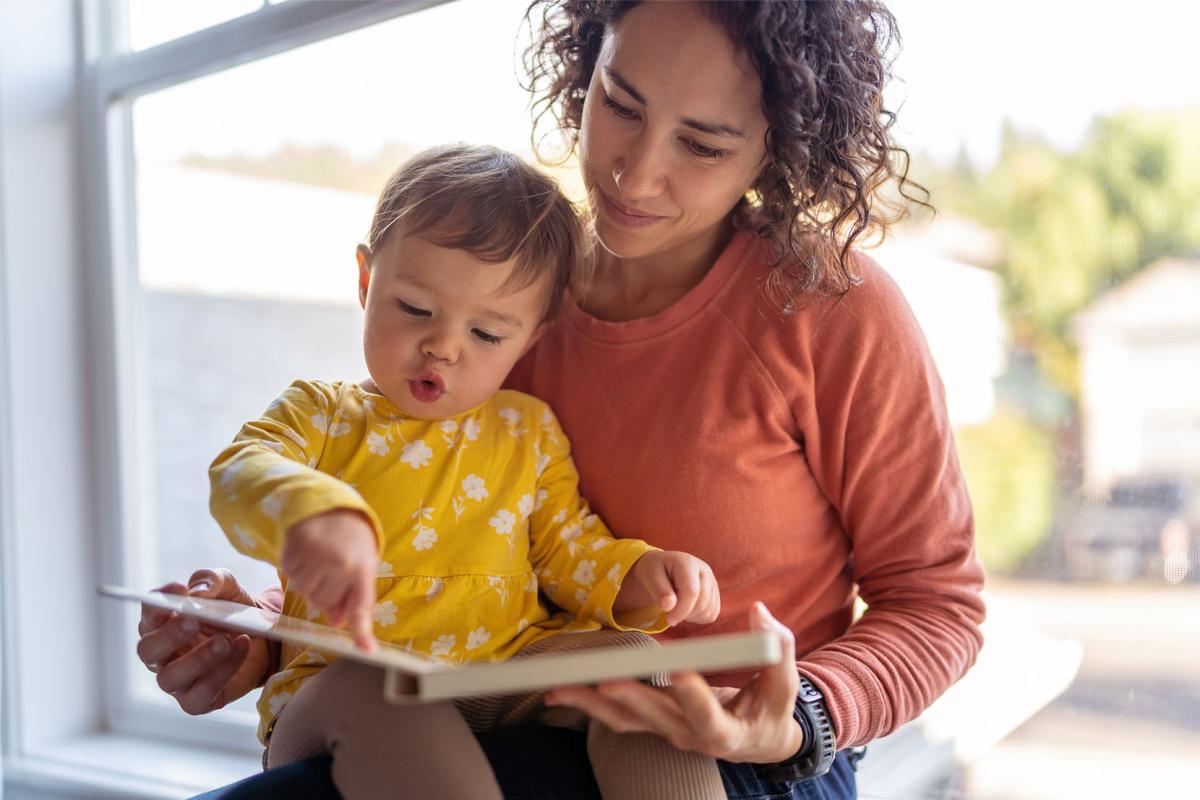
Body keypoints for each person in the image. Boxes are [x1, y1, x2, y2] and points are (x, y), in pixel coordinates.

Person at [136, 2, 986, 799]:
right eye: (619, 103)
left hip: (743, 758)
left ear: (779, 147)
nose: (635, 170)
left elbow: (939, 605)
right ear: (587, 65)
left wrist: (802, 712)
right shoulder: (504, 299)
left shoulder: (833, 309)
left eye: (702, 144)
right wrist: (258, 637)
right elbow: (429, 532)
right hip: (502, 704)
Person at [197, 141, 730, 800]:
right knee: (375, 684)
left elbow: (569, 549)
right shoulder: (322, 415)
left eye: (486, 335)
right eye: (415, 308)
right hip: (341, 690)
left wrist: (638, 577)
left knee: (635, 662)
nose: (443, 346)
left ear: (532, 337)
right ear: (367, 282)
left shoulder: (527, 432)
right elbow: (239, 470)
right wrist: (310, 513)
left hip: (502, 672)